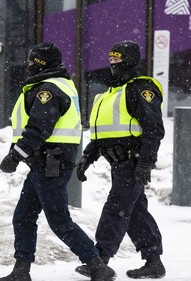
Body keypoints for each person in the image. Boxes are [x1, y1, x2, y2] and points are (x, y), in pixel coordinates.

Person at [0, 42, 116, 281]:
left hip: (50, 163)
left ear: (42, 63)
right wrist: (19, 152)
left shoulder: (48, 90)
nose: (28, 65)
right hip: (44, 163)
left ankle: (96, 265)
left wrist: (15, 155)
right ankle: (21, 270)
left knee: (59, 220)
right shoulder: (51, 85)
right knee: (23, 216)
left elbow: (39, 127)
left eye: (33, 61)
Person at [75, 40, 166, 279]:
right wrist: (87, 158)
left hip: (132, 161)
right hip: (118, 162)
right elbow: (101, 135)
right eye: (111, 59)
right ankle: (153, 260)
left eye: (118, 59)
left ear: (131, 61)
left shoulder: (141, 88)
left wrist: (145, 162)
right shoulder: (110, 92)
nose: (113, 64)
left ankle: (100, 259)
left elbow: (154, 129)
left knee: (117, 207)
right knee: (133, 211)